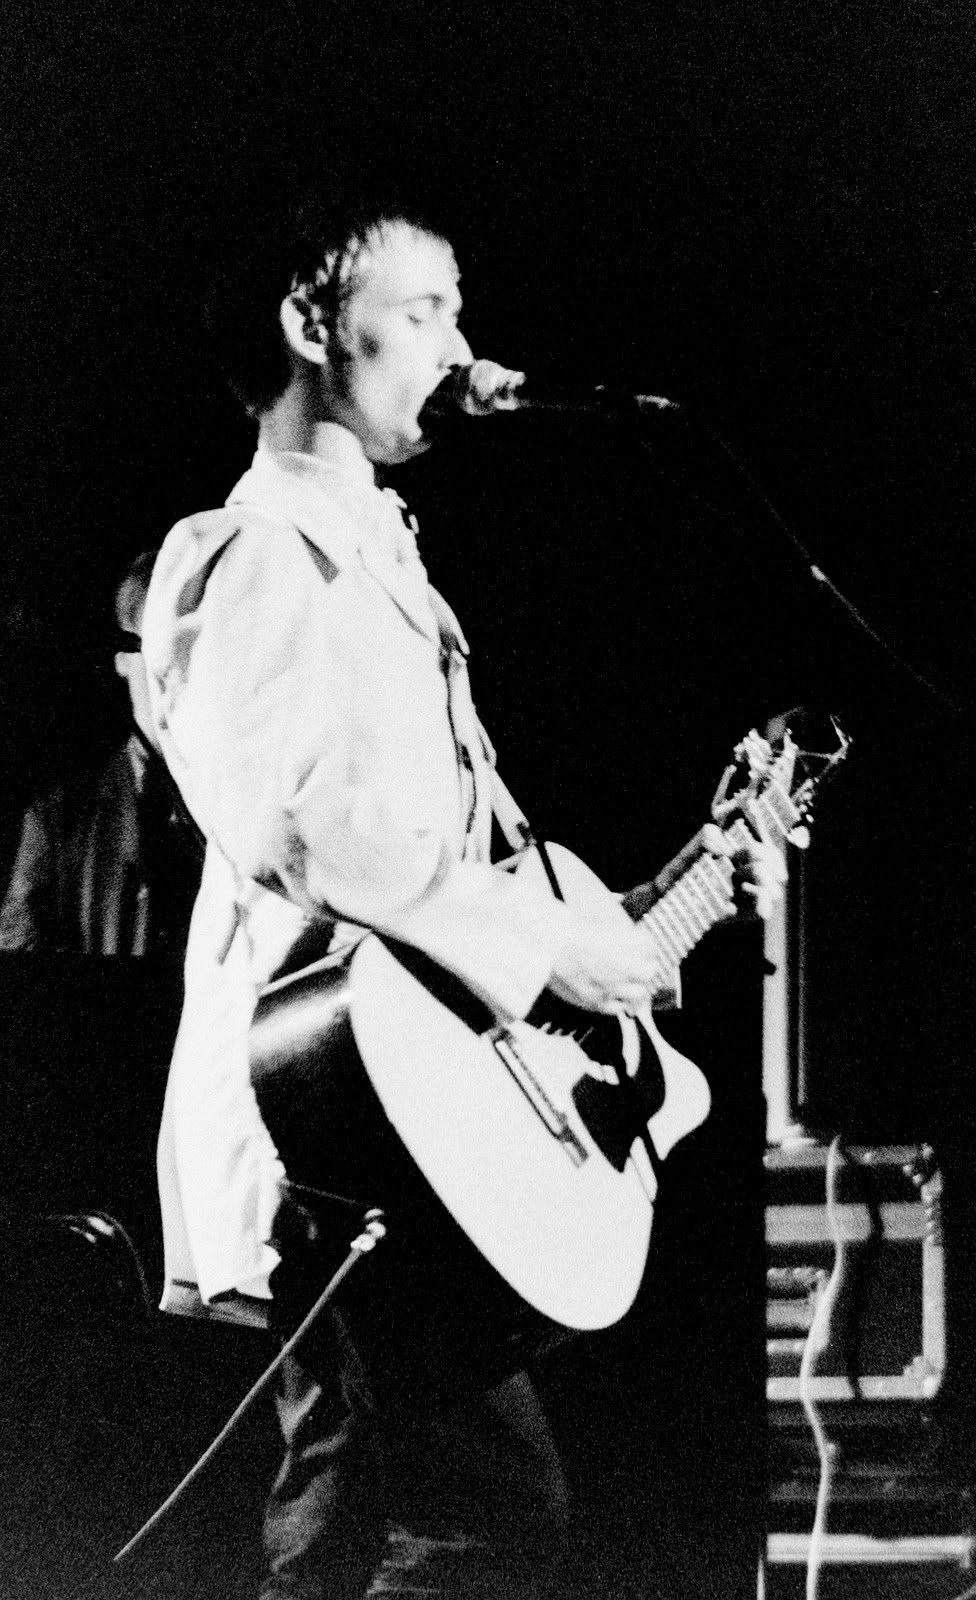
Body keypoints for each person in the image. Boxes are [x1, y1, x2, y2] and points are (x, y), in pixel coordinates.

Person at [141, 198, 780, 1600]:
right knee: (463, 1514)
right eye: (423, 309)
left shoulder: (384, 558)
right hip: (327, 1128)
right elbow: (298, 825)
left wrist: (645, 909)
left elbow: (451, 877)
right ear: (312, 325)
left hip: (399, 1124)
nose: (460, 347)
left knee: (376, 1512)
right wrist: (549, 948)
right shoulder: (251, 553)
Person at [0, 551, 202, 957]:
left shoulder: (244, 802)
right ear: (122, 659)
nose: (179, 671)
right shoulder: (59, 821)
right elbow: (21, 964)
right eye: (160, 646)